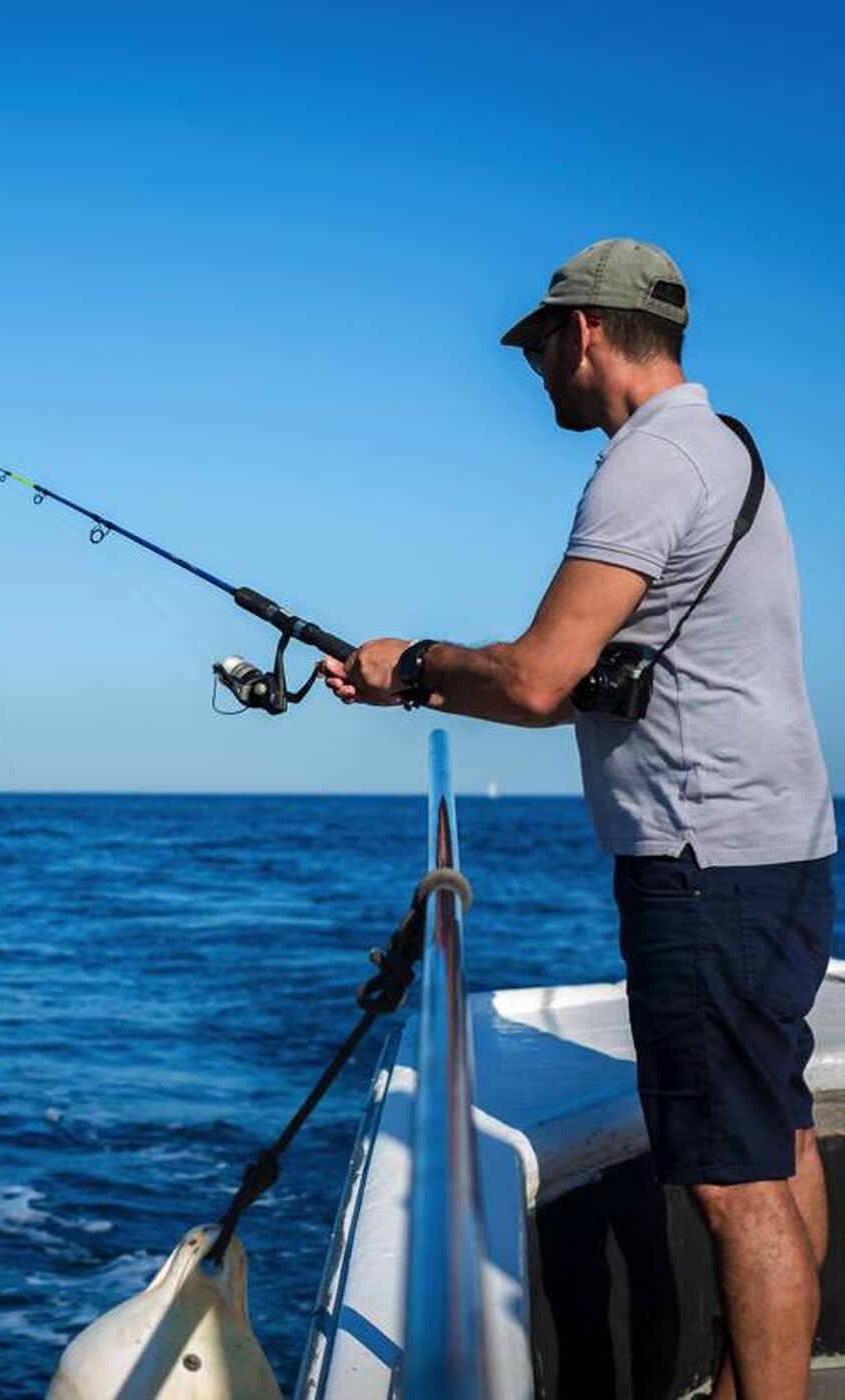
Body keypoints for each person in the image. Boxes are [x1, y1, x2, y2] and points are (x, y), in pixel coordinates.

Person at [321, 237, 837, 1400]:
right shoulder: (725, 448)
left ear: (585, 330)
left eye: (537, 344)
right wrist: (426, 680)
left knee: (732, 1181)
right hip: (777, 849)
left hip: (701, 863)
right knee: (774, 1132)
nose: (533, 367)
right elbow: (595, 677)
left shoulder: (645, 466)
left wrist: (412, 664)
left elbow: (538, 679)